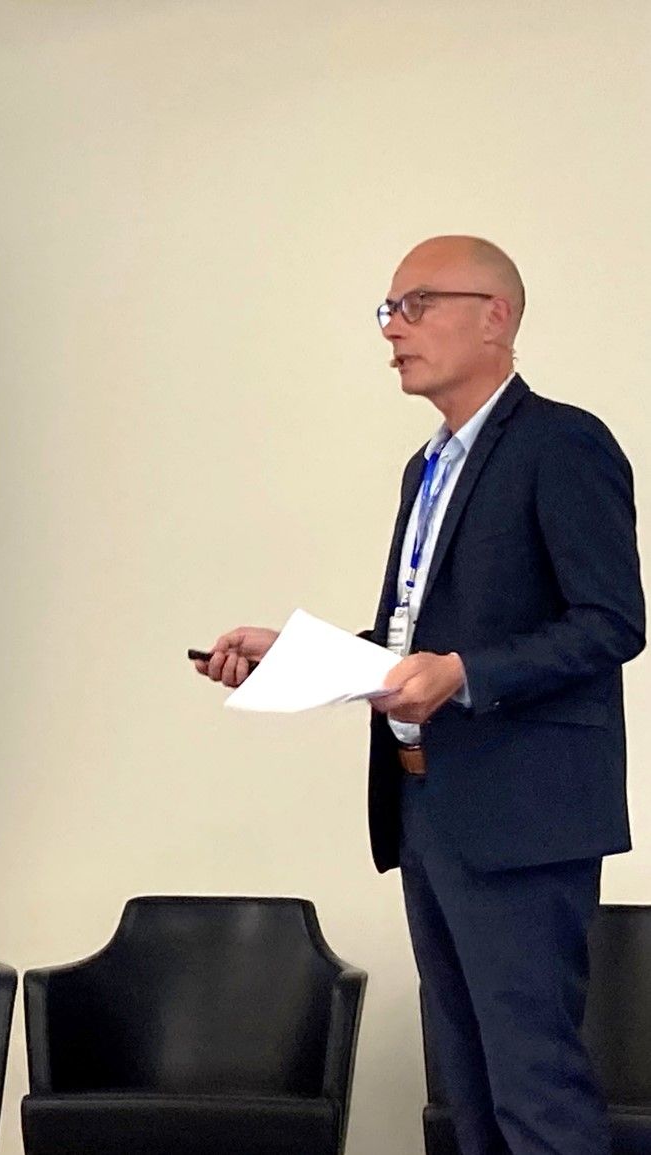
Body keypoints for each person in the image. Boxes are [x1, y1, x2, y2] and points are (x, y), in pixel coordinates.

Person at [196, 236, 645, 1155]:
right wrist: (291, 655)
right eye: (388, 310)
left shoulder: (562, 443)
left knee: (534, 1086)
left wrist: (466, 674)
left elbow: (612, 621)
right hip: (426, 808)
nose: (393, 329)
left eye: (417, 304)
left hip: (522, 820)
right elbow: (411, 645)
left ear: (496, 317)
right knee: (468, 1092)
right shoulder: (427, 467)